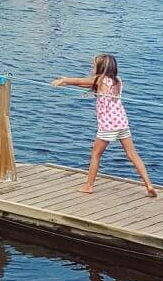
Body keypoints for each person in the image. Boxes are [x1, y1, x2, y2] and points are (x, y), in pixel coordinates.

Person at [52, 54, 156, 197]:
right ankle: (149, 185)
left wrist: (64, 80)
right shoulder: (117, 81)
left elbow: (81, 80)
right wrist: (68, 83)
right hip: (122, 123)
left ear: (101, 67)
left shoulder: (99, 80)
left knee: (96, 154)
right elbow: (87, 83)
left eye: (94, 65)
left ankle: (89, 186)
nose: (92, 67)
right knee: (132, 154)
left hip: (108, 125)